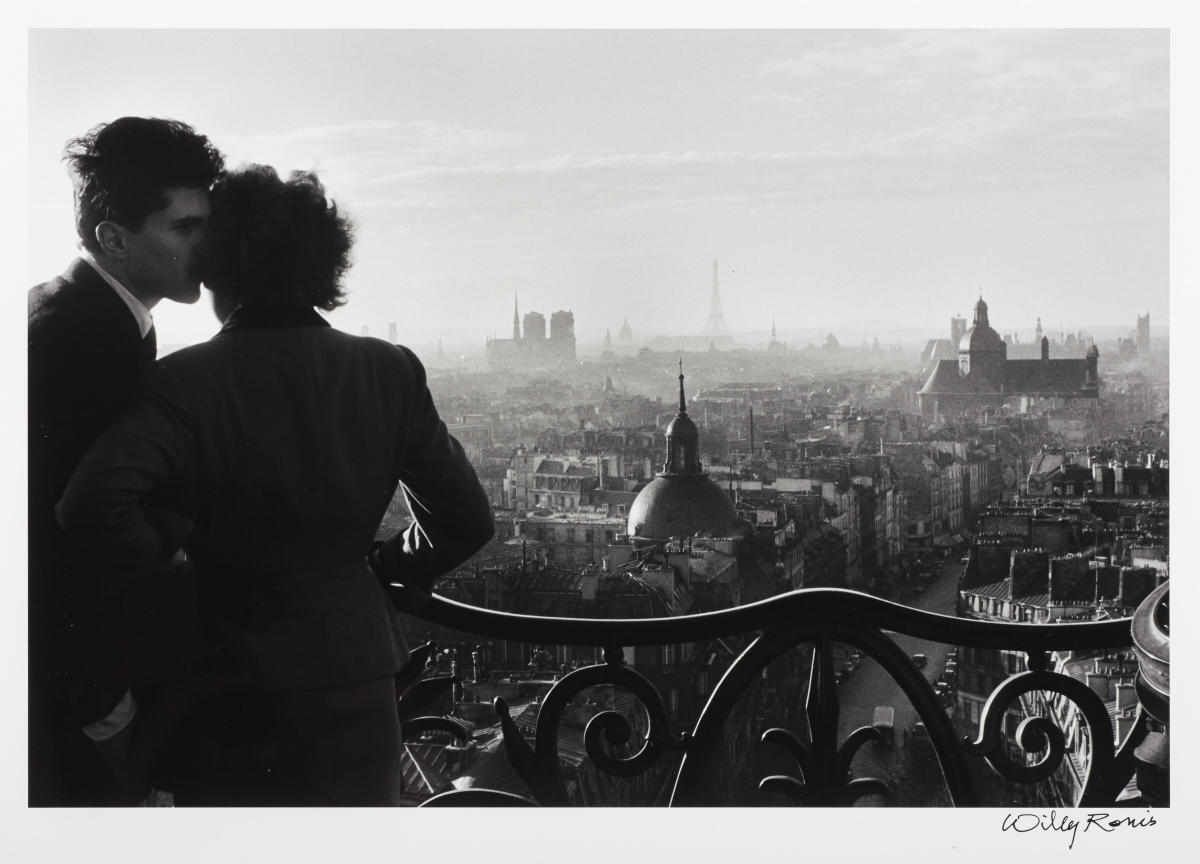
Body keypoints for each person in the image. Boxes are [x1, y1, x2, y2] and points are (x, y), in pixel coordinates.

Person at [57, 164, 495, 805]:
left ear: (216, 266)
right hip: (356, 671)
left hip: (223, 674)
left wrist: (175, 558)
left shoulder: (183, 381)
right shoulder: (386, 369)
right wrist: (381, 566)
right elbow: (465, 519)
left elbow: (92, 505)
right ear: (324, 263)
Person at [28, 117, 224, 805]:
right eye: (183, 228)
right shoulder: (85, 344)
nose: (207, 247)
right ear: (114, 238)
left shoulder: (70, 315)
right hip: (76, 684)